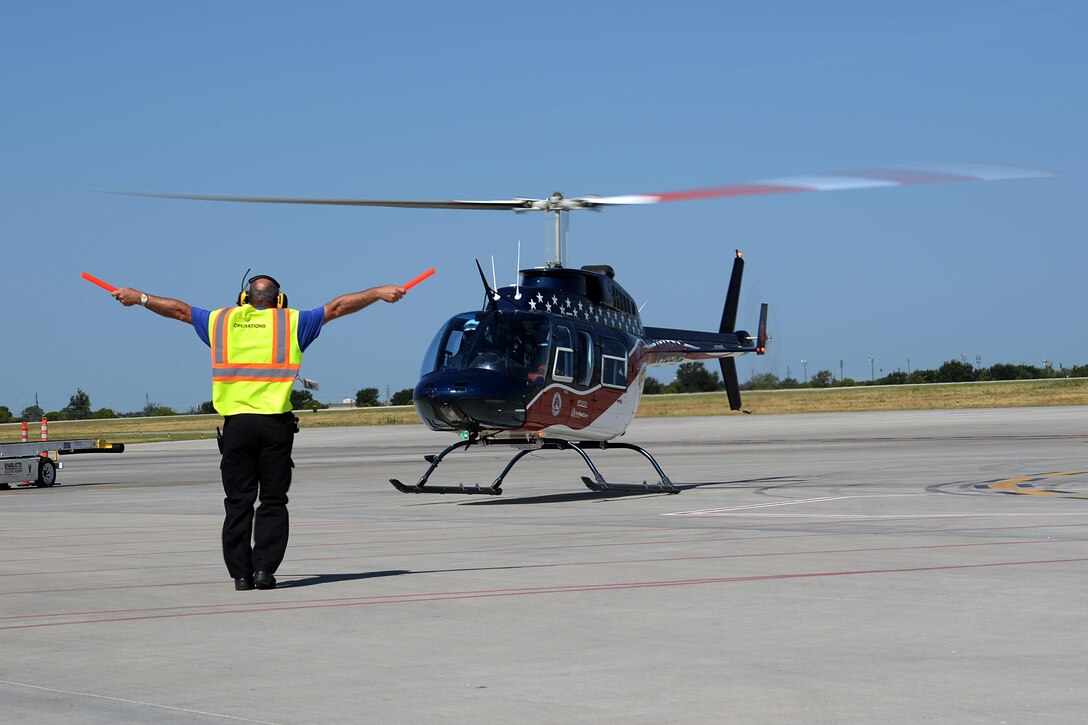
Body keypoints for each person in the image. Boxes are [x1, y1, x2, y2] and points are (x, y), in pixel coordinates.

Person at [113, 275, 406, 591]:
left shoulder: (221, 321)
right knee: (273, 501)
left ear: (244, 297)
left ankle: (241, 575)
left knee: (238, 501)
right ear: (280, 299)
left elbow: (180, 311)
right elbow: (336, 307)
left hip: (237, 426)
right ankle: (265, 571)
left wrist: (138, 297)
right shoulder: (293, 322)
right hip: (274, 427)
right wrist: (376, 293)